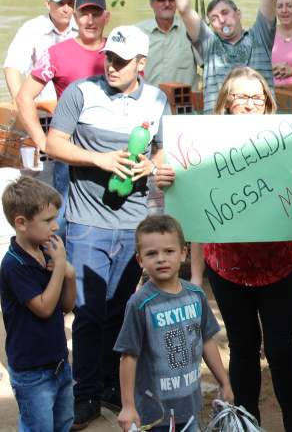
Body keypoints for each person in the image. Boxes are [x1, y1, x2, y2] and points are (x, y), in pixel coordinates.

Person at [155, 66, 292, 431]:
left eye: (257, 97)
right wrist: (166, 178)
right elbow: (186, 192)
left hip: (279, 266)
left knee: (282, 350)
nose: (249, 104)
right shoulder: (202, 142)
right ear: (225, 102)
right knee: (242, 348)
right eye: (240, 96)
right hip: (228, 267)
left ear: (268, 103)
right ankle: (247, 424)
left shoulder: (291, 141)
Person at [45, 25, 170, 429]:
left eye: (121, 60)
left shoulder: (156, 99)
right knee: (87, 311)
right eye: (109, 58)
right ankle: (84, 394)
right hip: (86, 222)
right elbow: (54, 144)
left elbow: (161, 150)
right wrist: (99, 160)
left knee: (119, 307)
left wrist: (151, 165)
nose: (112, 66)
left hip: (134, 222)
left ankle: (110, 385)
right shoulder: (80, 92)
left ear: (141, 63)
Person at [115, 215, 233, 431]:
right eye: (151, 253)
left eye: (169, 251)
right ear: (140, 260)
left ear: (183, 253)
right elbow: (128, 355)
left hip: (190, 408)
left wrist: (224, 382)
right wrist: (128, 406)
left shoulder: (196, 295)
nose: (161, 259)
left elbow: (207, 340)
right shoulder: (140, 303)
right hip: (154, 415)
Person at [17, 0, 111, 241]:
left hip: (111, 150)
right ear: (75, 18)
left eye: (96, 13)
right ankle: (58, 270)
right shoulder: (55, 54)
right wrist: (41, 140)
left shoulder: (119, 53)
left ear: (107, 17)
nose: (90, 20)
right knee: (65, 216)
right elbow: (25, 96)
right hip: (68, 152)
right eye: (84, 14)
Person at [0, 177, 75, 432]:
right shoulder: (14, 265)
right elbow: (43, 308)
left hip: (58, 362)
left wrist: (69, 275)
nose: (55, 226)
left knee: (63, 423)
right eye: (47, 220)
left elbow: (65, 306)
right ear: (20, 222)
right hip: (32, 373)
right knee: (38, 427)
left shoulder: (46, 252)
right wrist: (60, 268)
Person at [4, 0, 77, 102]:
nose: (66, 9)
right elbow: (12, 67)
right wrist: (20, 102)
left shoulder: (83, 28)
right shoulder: (32, 29)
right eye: (61, 3)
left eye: (70, 3)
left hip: (77, 108)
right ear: (48, 4)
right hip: (43, 110)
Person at [136, 0, 199, 88]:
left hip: (185, 101)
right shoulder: (137, 32)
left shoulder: (191, 28)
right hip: (149, 101)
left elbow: (211, 63)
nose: (167, 4)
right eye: (161, 0)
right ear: (151, 3)